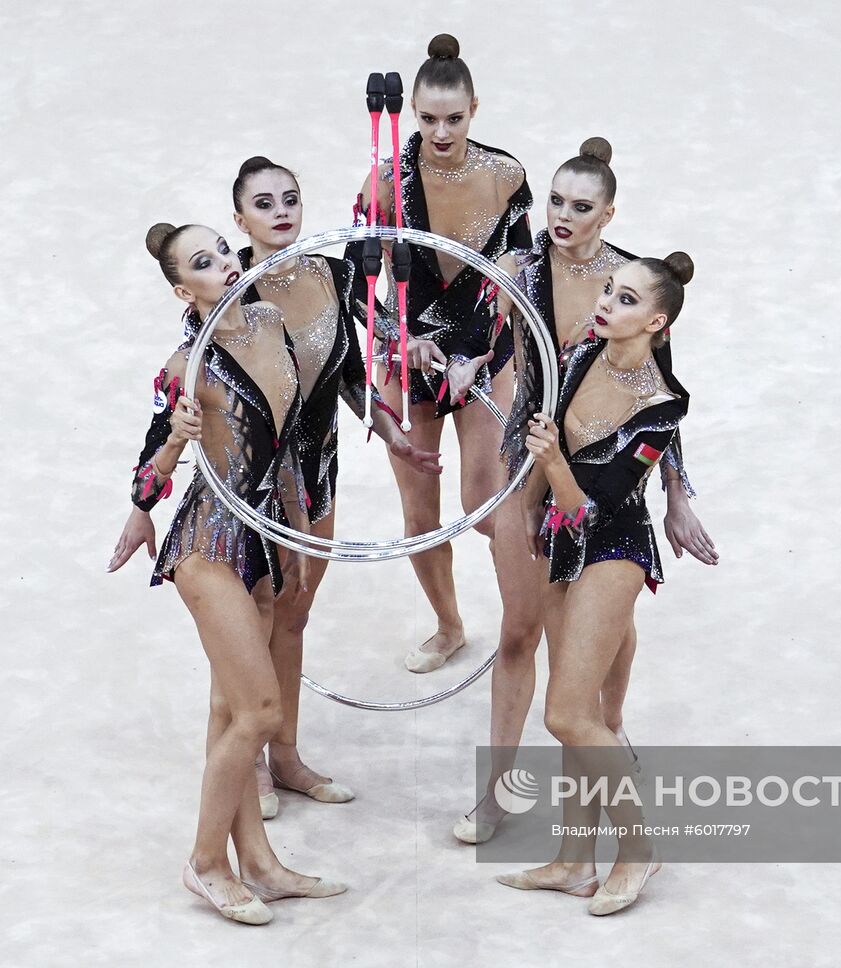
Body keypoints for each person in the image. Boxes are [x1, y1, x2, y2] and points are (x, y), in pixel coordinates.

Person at [111, 159, 441, 820]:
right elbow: (178, 406)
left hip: (317, 472)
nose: (282, 212)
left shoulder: (332, 271)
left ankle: (285, 753)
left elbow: (356, 360)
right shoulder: (233, 301)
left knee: (292, 613)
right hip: (249, 485)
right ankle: (249, 753)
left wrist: (391, 426)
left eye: (291, 198)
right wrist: (142, 504)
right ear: (241, 222)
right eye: (264, 204)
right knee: (242, 620)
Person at [454, 141, 716, 844]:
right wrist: (445, 356)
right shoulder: (519, 268)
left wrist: (677, 496)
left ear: (608, 211)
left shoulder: (631, 284)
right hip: (528, 469)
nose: (563, 216)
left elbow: (653, 401)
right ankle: (498, 790)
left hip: (598, 479)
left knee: (600, 623)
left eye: (580, 206)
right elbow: (474, 345)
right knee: (519, 630)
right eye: (556, 202)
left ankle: (608, 726)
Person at [126, 222, 345, 924]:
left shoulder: (272, 323)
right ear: (179, 289)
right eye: (202, 262)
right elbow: (150, 466)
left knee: (229, 712)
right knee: (259, 711)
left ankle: (261, 865)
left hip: (263, 542)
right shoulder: (185, 365)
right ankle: (206, 862)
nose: (223, 263)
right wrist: (173, 450)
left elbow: (281, 447)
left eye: (222, 250)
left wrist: (298, 538)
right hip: (207, 546)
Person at [496, 253, 696, 916]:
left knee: (569, 714)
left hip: (612, 547)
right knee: (577, 717)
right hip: (559, 543)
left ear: (658, 321)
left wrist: (550, 464)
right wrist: (527, 504)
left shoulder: (661, 408)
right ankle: (574, 861)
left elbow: (595, 505)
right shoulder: (583, 351)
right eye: (611, 289)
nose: (607, 302)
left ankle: (639, 848)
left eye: (628, 299)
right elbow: (544, 435)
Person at [348, 32, 534, 673]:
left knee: (485, 501)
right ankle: (449, 625)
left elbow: (519, 268)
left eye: (454, 118)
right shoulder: (387, 179)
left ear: (475, 109)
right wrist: (405, 342)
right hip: (406, 350)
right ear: (414, 113)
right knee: (420, 516)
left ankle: (536, 601)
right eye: (427, 118)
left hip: (482, 349)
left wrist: (479, 353)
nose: (441, 130)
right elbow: (359, 283)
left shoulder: (506, 175)